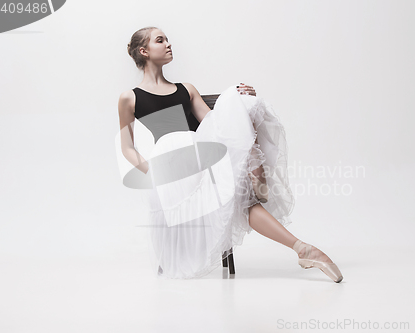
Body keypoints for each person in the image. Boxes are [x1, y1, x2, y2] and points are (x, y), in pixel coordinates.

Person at [117, 26, 343, 282]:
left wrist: (240, 102)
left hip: (200, 156)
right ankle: (298, 243)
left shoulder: (186, 90)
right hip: (169, 168)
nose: (169, 44)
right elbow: (127, 147)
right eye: (161, 40)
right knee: (236, 202)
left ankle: (303, 248)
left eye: (168, 39)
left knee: (238, 198)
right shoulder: (129, 97)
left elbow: (214, 124)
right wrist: (153, 173)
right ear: (144, 51)